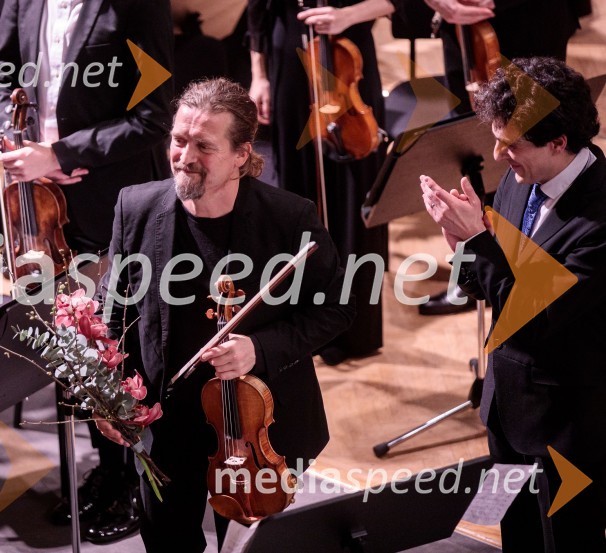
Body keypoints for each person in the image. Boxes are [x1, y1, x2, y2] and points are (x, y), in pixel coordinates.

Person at [95, 78, 355, 552]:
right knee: (168, 541)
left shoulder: (290, 218)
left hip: (259, 429)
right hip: (164, 420)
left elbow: (337, 309)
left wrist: (260, 348)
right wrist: (109, 390)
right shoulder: (134, 207)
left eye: (204, 146)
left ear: (241, 154)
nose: (184, 156)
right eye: (178, 139)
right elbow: (114, 310)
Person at [0, 0, 173, 542]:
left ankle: (138, 484)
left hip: (114, 202)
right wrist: (17, 142)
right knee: (72, 340)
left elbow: (153, 116)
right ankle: (106, 469)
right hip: (40, 208)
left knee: (121, 344)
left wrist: (62, 154)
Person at [421, 57, 606, 551]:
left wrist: (478, 240)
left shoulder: (599, 220)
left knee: (570, 540)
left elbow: (538, 315)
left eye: (512, 143)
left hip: (569, 422)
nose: (499, 154)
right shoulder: (520, 179)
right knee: (517, 535)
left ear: (559, 142)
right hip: (505, 405)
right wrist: (460, 243)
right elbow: (490, 288)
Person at [389, 0, 591, 314]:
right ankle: (483, 272)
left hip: (527, 22)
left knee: (532, 146)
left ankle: (529, 267)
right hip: (462, 29)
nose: (498, 157)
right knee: (478, 135)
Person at [247, 0, 393, 365]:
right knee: (296, 193)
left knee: (354, 193)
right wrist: (259, 74)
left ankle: (356, 328)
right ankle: (303, 326)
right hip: (288, 61)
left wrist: (347, 15)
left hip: (347, 54)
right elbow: (258, 9)